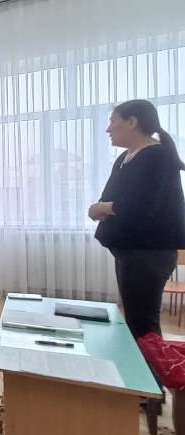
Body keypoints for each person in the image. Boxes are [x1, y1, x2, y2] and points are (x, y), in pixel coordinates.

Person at [89, 99, 185, 338]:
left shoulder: (157, 156)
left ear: (132, 122)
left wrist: (103, 207)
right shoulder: (126, 157)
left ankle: (150, 363)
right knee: (134, 317)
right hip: (128, 252)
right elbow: (114, 197)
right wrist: (102, 207)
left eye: (113, 121)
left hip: (148, 254)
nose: (108, 129)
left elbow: (141, 206)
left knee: (142, 325)